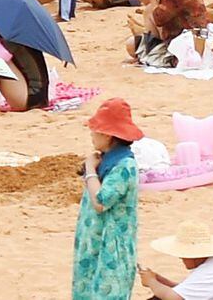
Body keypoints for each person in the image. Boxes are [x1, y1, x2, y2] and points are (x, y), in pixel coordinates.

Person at [70, 100, 141, 300]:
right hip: (94, 240)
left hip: (111, 244)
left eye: (95, 130)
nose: (92, 135)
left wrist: (90, 169)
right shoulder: (107, 160)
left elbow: (101, 202)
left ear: (108, 135)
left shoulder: (124, 166)